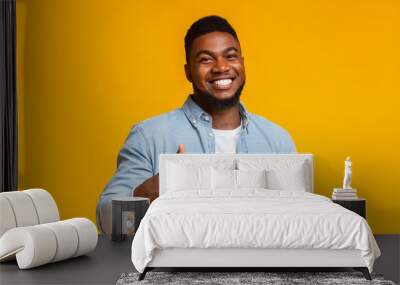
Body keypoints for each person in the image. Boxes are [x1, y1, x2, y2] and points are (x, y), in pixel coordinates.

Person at [96, 15, 296, 233]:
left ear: (242, 63)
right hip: (176, 266)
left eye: (230, 56)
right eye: (206, 59)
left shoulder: (278, 141)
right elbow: (107, 222)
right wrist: (144, 195)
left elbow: (299, 222)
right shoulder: (149, 136)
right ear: (188, 72)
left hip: (263, 265)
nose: (221, 67)